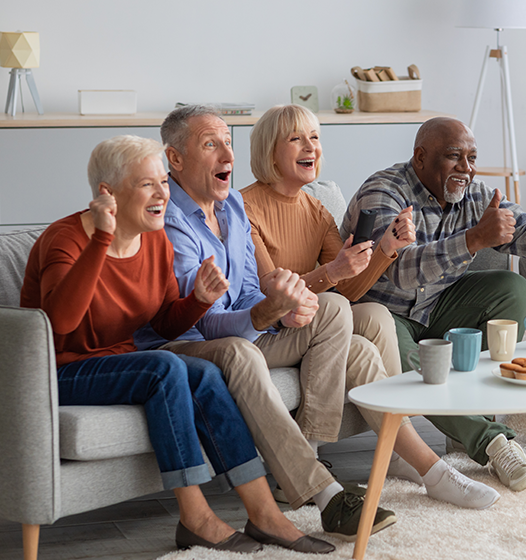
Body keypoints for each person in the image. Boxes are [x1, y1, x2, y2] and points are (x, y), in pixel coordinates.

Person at [19, 135, 334, 554]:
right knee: (164, 368)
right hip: (58, 370)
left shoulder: (154, 240)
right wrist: (100, 240)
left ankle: (265, 514)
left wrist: (198, 301)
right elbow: (58, 322)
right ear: (107, 194)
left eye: (163, 183)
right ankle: (196, 517)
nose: (162, 194)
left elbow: (165, 323)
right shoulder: (67, 239)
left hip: (120, 361)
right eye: (147, 184)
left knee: (204, 372)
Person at [133, 105, 397, 543]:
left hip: (245, 331)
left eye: (227, 143)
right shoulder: (171, 224)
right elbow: (205, 321)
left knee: (331, 308)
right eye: (210, 144)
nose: (226, 156)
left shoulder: (232, 204)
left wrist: (284, 309)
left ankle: (310, 448)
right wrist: (265, 313)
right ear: (174, 159)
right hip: (184, 342)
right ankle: (324, 493)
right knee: (239, 349)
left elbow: (251, 289)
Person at [241, 104, 500, 509]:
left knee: (375, 317)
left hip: (316, 318)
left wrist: (385, 249)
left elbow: (352, 290)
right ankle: (308, 455)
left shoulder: (316, 209)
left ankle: (409, 458)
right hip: (268, 327)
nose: (311, 147)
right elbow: (270, 297)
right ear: (270, 152)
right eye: (296, 139)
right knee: (337, 311)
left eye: (315, 137)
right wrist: (331, 271)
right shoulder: (244, 209)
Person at [340, 117, 526, 492]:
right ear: (420, 157)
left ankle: (468, 423)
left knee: (512, 287)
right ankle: (493, 442)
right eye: (454, 157)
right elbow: (400, 270)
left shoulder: (473, 194)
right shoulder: (384, 192)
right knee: (419, 367)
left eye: (472, 158)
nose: (466, 169)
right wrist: (472, 240)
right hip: (383, 315)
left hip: (438, 308)